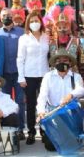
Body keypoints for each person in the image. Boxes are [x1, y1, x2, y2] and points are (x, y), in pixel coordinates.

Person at [37, 48, 84, 151]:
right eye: (59, 61)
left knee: (74, 143)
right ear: (54, 63)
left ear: (70, 63)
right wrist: (41, 111)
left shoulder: (75, 76)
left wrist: (70, 95)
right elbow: (42, 96)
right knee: (50, 146)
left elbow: (81, 89)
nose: (62, 63)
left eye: (65, 60)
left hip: (70, 113)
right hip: (53, 114)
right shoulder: (48, 77)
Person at [17, 11, 50, 144]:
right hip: (29, 75)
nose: (34, 23)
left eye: (37, 21)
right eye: (31, 21)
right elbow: (20, 59)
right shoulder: (24, 38)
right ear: (28, 23)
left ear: (41, 22)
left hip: (44, 75)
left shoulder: (47, 36)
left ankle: (44, 130)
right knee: (31, 105)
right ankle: (31, 131)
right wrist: (21, 77)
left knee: (44, 104)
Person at [0, 8, 26, 140]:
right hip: (4, 74)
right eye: (4, 16)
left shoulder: (21, 32)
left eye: (9, 15)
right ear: (0, 18)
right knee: (5, 102)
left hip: (19, 73)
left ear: (13, 16)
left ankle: (20, 129)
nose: (6, 17)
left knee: (20, 101)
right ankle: (9, 128)